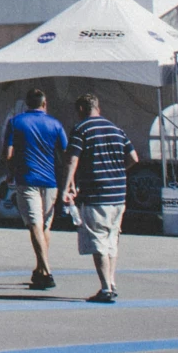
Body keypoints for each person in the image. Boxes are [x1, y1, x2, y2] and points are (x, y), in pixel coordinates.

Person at [63, 91, 137, 303]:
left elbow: (72, 160)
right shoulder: (116, 129)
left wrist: (67, 186)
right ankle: (111, 282)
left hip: (96, 193)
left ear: (80, 110)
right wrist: (119, 170)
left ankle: (105, 288)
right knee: (112, 240)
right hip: (118, 193)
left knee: (98, 241)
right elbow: (133, 157)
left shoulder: (81, 129)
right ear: (98, 108)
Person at [5, 88, 68, 290]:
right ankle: (40, 269)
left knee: (34, 224)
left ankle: (46, 270)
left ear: (27, 104)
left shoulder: (16, 122)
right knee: (45, 225)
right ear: (44, 103)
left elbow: (8, 153)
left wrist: (10, 171)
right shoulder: (55, 124)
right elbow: (65, 152)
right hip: (50, 180)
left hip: (27, 177)